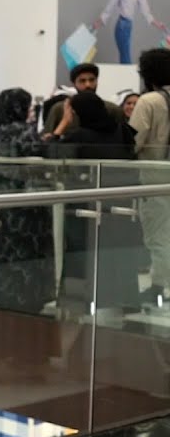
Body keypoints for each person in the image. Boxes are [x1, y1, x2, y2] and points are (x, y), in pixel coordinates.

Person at [50, 91, 141, 313]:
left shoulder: (80, 136)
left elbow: (50, 152)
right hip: (120, 202)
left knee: (82, 253)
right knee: (119, 253)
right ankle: (125, 301)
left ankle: (80, 302)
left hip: (86, 205)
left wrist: (62, 125)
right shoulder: (122, 130)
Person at [0, 88, 53, 313]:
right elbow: (40, 158)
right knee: (25, 255)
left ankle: (1, 296)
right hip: (24, 206)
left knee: (0, 251)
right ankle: (28, 299)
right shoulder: (26, 132)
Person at [130, 48, 170, 306]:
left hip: (155, 178)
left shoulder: (149, 101)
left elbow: (133, 141)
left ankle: (159, 286)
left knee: (158, 235)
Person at [42, 63, 124, 138]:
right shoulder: (59, 109)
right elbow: (46, 139)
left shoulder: (112, 110)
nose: (88, 85)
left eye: (92, 80)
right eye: (82, 81)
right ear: (74, 84)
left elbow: (123, 140)